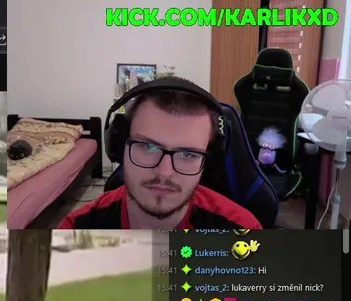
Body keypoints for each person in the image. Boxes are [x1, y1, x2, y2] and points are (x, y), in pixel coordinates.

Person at [61, 78, 262, 230]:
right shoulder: (76, 230)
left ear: (209, 161)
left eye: (188, 154)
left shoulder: (243, 231)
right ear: (120, 146)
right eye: (148, 147)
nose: (164, 173)